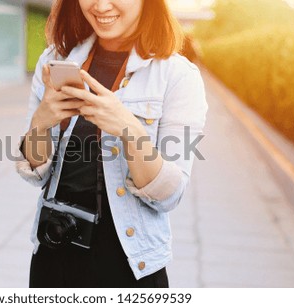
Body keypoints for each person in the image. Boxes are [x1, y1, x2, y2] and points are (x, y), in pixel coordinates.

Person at [15, 0, 208, 288]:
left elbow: (170, 193)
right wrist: (41, 121)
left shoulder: (177, 76)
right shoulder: (54, 61)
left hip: (129, 263)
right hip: (54, 253)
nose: (101, 6)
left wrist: (128, 128)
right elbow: (36, 172)